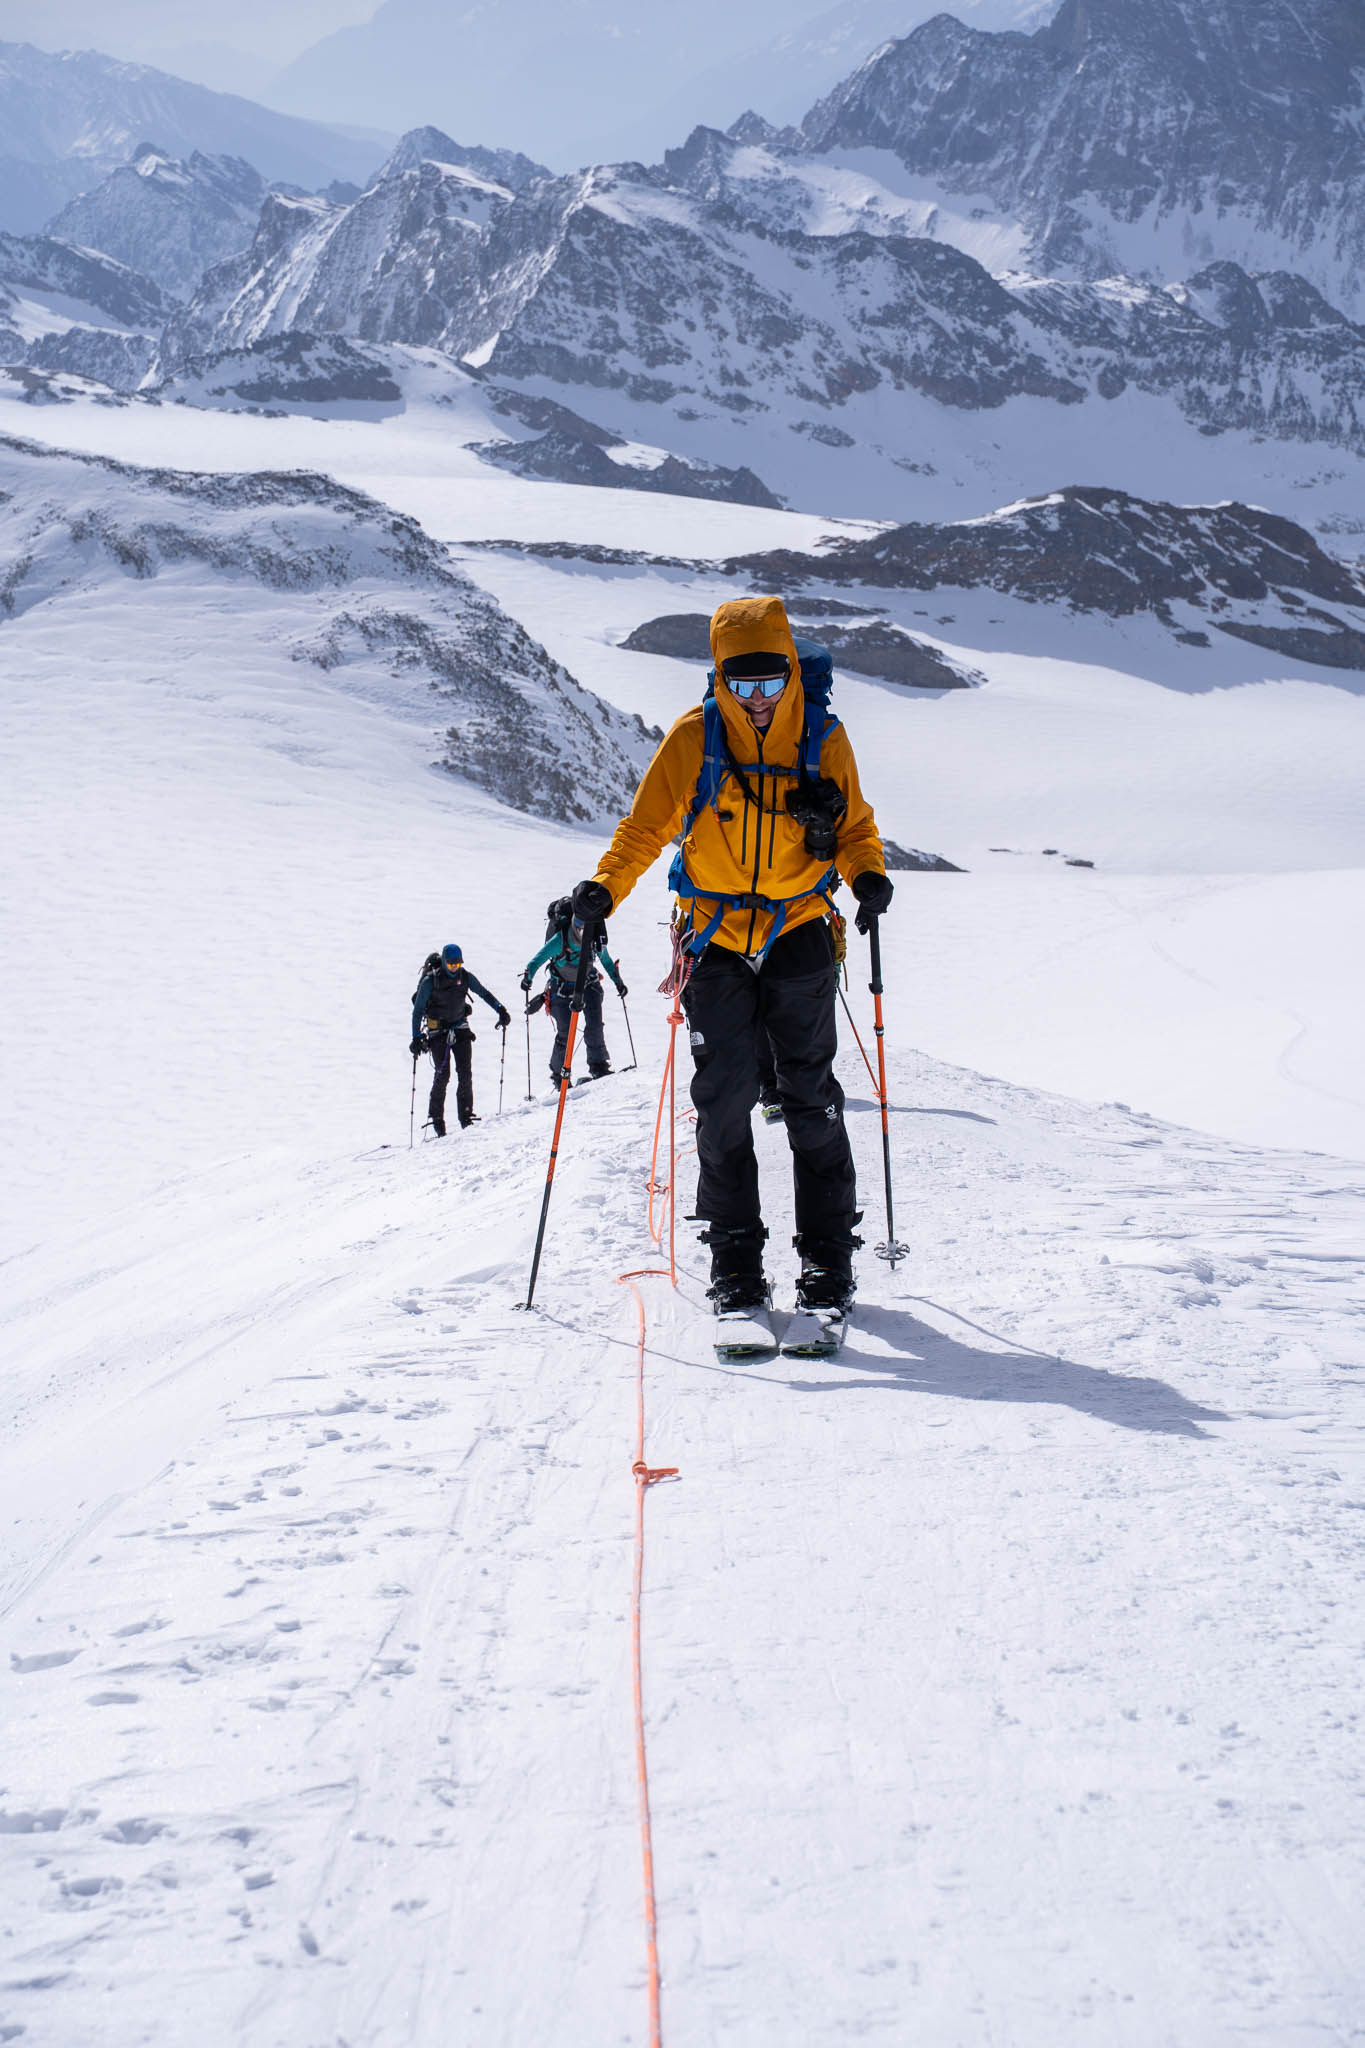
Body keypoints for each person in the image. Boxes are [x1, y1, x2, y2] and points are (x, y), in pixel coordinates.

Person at [568, 594, 893, 1318]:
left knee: (809, 1099)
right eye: (741, 682)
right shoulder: (695, 737)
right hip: (713, 934)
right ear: (720, 675)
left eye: (771, 680)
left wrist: (866, 874)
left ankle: (828, 1261)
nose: (756, 697)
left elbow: (855, 828)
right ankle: (736, 1262)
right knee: (721, 1103)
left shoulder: (823, 737)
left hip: (798, 925)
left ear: (791, 672)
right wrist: (604, 888)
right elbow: (644, 829)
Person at [521, 899, 627, 1084]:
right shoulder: (561, 938)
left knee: (593, 1025)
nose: (582, 931)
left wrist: (618, 982)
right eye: (579, 927)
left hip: (582, 984)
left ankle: (596, 1067)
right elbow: (536, 960)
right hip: (566, 987)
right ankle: (561, 1074)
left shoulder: (590, 937)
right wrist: (527, 977)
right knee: (567, 1031)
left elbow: (606, 960)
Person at [410, 943, 510, 1136]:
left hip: (460, 1026)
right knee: (443, 1075)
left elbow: (483, 993)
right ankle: (437, 1119)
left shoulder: (465, 977)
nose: (455, 968)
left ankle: (466, 1115)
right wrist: (416, 1037)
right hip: (437, 1031)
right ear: (444, 962)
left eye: (458, 964)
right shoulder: (431, 981)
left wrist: (500, 1010)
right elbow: (418, 1011)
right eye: (451, 964)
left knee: (465, 1072)